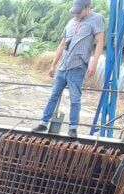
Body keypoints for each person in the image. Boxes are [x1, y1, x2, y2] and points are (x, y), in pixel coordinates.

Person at [32, 0, 104, 138]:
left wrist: (94, 64)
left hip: (77, 67)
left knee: (75, 98)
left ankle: (73, 128)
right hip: (63, 66)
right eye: (74, 12)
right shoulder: (71, 22)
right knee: (53, 95)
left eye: (79, 12)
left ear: (87, 8)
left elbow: (100, 42)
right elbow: (61, 44)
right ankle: (43, 123)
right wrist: (53, 64)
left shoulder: (97, 19)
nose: (76, 15)